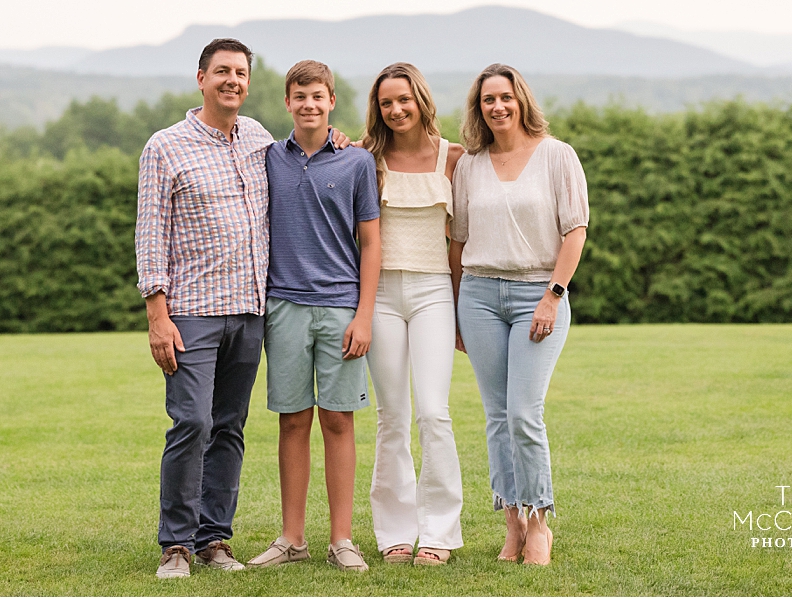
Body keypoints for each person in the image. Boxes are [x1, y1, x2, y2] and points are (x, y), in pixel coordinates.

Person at [135, 40, 351, 579]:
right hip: (191, 313)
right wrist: (157, 316)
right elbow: (149, 234)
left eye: (240, 73)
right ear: (201, 78)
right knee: (191, 421)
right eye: (222, 72)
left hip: (251, 312)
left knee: (229, 426)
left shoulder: (258, 139)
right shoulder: (165, 146)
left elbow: (311, 149)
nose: (232, 80)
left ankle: (214, 539)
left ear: (249, 84)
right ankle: (176, 546)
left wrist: (339, 139)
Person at [449, 63, 589, 567]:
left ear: (520, 99)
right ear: (478, 107)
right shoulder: (469, 164)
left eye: (505, 97)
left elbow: (575, 231)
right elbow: (458, 240)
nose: (497, 107)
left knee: (525, 414)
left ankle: (539, 523)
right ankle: (512, 523)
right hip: (480, 296)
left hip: (538, 295)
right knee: (496, 417)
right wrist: (457, 304)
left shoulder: (556, 156)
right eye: (488, 100)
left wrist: (553, 294)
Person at [247, 60, 382, 573]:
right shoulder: (267, 159)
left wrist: (364, 314)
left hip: (341, 307)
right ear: (287, 102)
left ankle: (342, 539)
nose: (308, 104)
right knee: (293, 420)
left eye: (318, 96)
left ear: (331, 102)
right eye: (299, 96)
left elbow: (370, 241)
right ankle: (292, 538)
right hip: (283, 306)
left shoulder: (356, 163)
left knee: (338, 420)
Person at [361, 63, 465, 566]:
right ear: (377, 110)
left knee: (433, 412)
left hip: (433, 293)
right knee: (392, 417)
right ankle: (395, 533)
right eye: (386, 103)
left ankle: (440, 533)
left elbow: (460, 245)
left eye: (404, 99)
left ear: (421, 100)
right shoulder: (366, 159)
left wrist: (464, 309)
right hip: (379, 296)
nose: (396, 109)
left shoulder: (455, 159)